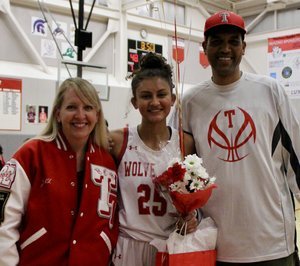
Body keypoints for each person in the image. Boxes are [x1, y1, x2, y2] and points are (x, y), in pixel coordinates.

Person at [177, 10, 300, 265]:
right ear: (204, 47)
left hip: (272, 241)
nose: (225, 49)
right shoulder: (190, 101)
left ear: (244, 47)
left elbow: (296, 153)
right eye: (217, 41)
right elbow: (176, 166)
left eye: (233, 41)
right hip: (214, 243)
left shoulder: (270, 91)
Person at [0, 77, 119, 265]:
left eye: (88, 108)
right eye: (71, 107)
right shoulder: (31, 154)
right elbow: (4, 222)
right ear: (57, 113)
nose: (80, 115)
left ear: (97, 115)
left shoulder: (107, 162)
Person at [110, 52, 198, 266]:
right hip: (128, 245)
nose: (155, 102)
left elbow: (197, 192)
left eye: (161, 94)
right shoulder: (117, 140)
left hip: (172, 245)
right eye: (146, 95)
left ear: (173, 99)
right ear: (135, 101)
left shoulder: (186, 143)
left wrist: (192, 216)